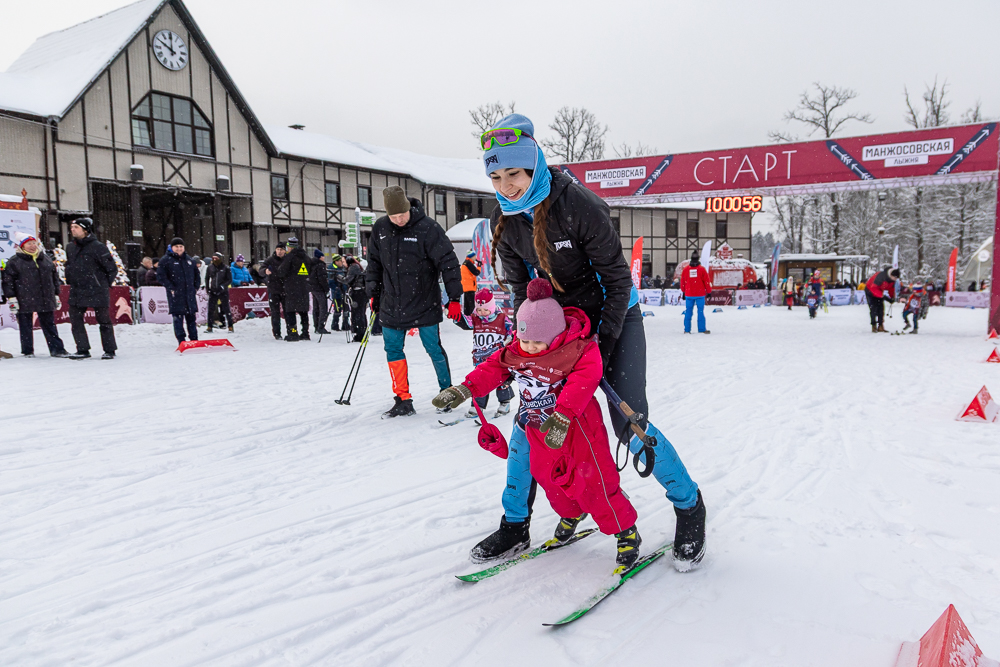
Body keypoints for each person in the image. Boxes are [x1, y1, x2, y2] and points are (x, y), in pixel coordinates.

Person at [479, 113, 704, 571]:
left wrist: (598, 342)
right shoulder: (506, 219)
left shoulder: (579, 205)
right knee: (530, 420)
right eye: (496, 176)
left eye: (514, 174)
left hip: (614, 319)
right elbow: (523, 292)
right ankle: (515, 523)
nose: (506, 185)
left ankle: (689, 506)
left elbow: (618, 282)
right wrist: (533, 343)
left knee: (629, 423)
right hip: (558, 332)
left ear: (535, 165)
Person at [434, 278, 642, 569]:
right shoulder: (517, 350)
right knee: (551, 480)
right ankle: (572, 513)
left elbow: (586, 378)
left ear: (555, 334)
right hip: (538, 430)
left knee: (594, 482)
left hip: (578, 431)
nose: (529, 348)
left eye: (536, 342)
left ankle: (625, 532)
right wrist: (464, 389)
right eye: (524, 340)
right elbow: (493, 367)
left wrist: (563, 415)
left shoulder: (577, 350)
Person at [366, 185, 463, 418]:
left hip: (424, 301)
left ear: (409, 208)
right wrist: (373, 293)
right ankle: (403, 399)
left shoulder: (428, 228)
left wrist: (455, 298)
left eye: (402, 214)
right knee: (392, 349)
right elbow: (374, 265)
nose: (398, 219)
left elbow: (448, 262)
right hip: (391, 303)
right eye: (393, 216)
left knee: (432, 348)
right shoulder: (380, 228)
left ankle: (446, 392)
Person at [1, 233, 69, 358]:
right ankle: (27, 351)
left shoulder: (46, 259)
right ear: (22, 246)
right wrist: (11, 297)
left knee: (49, 325)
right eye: (29, 244)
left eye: (34, 243)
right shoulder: (14, 261)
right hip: (24, 298)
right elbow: (8, 281)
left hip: (45, 297)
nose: (32, 246)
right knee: (25, 326)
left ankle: (57, 349)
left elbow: (54, 277)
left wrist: (56, 293)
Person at [64, 217, 118, 359]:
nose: (72, 229)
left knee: (104, 321)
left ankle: (109, 350)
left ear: (85, 229)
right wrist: (69, 276)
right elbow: (69, 265)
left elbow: (111, 268)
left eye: (76, 227)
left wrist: (103, 284)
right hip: (77, 289)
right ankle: (82, 349)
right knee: (75, 320)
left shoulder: (98, 247)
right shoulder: (70, 247)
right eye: (72, 227)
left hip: (97, 289)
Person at [462, 287, 514, 419]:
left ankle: (505, 402)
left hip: (497, 358)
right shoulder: (475, 318)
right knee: (479, 381)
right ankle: (477, 405)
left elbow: (511, 329)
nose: (482, 312)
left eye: (485, 309)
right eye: (479, 309)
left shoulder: (502, 317)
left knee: (500, 380)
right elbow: (466, 322)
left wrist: (510, 338)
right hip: (480, 357)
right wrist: (456, 316)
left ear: (491, 307)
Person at [157, 237, 201, 344]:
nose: (179, 248)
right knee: (178, 319)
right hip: (176, 295)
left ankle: (194, 339)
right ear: (172, 248)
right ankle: (181, 340)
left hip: (189, 294)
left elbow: (197, 275)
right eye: (176, 247)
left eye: (181, 246)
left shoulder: (190, 260)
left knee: (191, 319)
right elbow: (161, 276)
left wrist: (195, 287)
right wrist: (170, 287)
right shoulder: (165, 260)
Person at [277, 236, 312, 341]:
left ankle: (293, 333)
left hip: (292, 287)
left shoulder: (290, 257)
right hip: (304, 287)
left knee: (290, 311)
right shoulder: (306, 257)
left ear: (290, 247)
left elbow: (282, 271)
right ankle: (305, 333)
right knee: (303, 311)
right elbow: (310, 269)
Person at [260, 243, 287, 340]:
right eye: (278, 249)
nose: (279, 252)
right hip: (273, 289)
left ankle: (291, 331)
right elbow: (261, 270)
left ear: (285, 250)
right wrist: (265, 271)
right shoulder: (270, 260)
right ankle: (277, 333)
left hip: (285, 290)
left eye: (281, 250)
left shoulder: (287, 260)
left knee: (288, 312)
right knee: (275, 313)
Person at [680, 252, 711, 334]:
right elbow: (706, 281)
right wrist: (709, 291)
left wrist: (683, 291)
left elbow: (683, 281)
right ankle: (701, 329)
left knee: (688, 312)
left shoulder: (686, 269)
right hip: (700, 294)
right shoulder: (702, 269)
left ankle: (687, 330)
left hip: (689, 294)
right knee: (700, 311)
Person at [339, 255, 368, 341]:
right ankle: (360, 332)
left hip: (358, 293)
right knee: (359, 313)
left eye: (344, 262)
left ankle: (360, 333)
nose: (343, 264)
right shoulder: (355, 266)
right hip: (360, 292)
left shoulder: (353, 267)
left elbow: (347, 280)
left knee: (358, 313)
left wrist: (338, 277)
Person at [865, 266, 900, 333]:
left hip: (879, 292)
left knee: (881, 309)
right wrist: (883, 296)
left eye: (896, 278)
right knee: (873, 308)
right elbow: (873, 288)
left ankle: (881, 326)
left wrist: (892, 297)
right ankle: (874, 325)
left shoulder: (892, 280)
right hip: (870, 291)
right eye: (895, 277)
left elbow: (891, 288)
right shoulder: (881, 276)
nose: (895, 279)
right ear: (891, 275)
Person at [205, 252, 233, 333]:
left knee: (226, 308)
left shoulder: (226, 268)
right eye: (213, 258)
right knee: (211, 309)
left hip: (223, 291)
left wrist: (223, 286)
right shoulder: (210, 267)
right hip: (213, 291)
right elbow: (207, 278)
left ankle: (230, 326)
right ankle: (209, 326)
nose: (214, 260)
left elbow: (229, 280)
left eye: (216, 258)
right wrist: (208, 288)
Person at [310, 249, 331, 334]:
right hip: (320, 289)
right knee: (323, 308)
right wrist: (326, 289)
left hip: (313, 288)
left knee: (316, 308)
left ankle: (316, 326)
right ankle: (321, 326)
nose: (324, 258)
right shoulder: (320, 265)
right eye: (323, 256)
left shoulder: (311, 264)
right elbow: (322, 279)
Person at [327, 254, 350, 331]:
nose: (341, 262)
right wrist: (336, 289)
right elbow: (331, 282)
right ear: (336, 261)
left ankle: (345, 324)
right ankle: (335, 324)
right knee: (338, 309)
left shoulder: (342, 268)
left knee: (346, 308)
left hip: (344, 290)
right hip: (337, 292)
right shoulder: (332, 268)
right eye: (340, 261)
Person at [460, 250, 482, 316]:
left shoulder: (465, 263)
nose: (475, 257)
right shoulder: (468, 263)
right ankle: (472, 318)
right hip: (470, 287)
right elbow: (476, 272)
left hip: (466, 287)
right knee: (471, 305)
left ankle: (467, 317)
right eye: (474, 256)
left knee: (467, 305)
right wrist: (479, 266)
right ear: (471, 257)